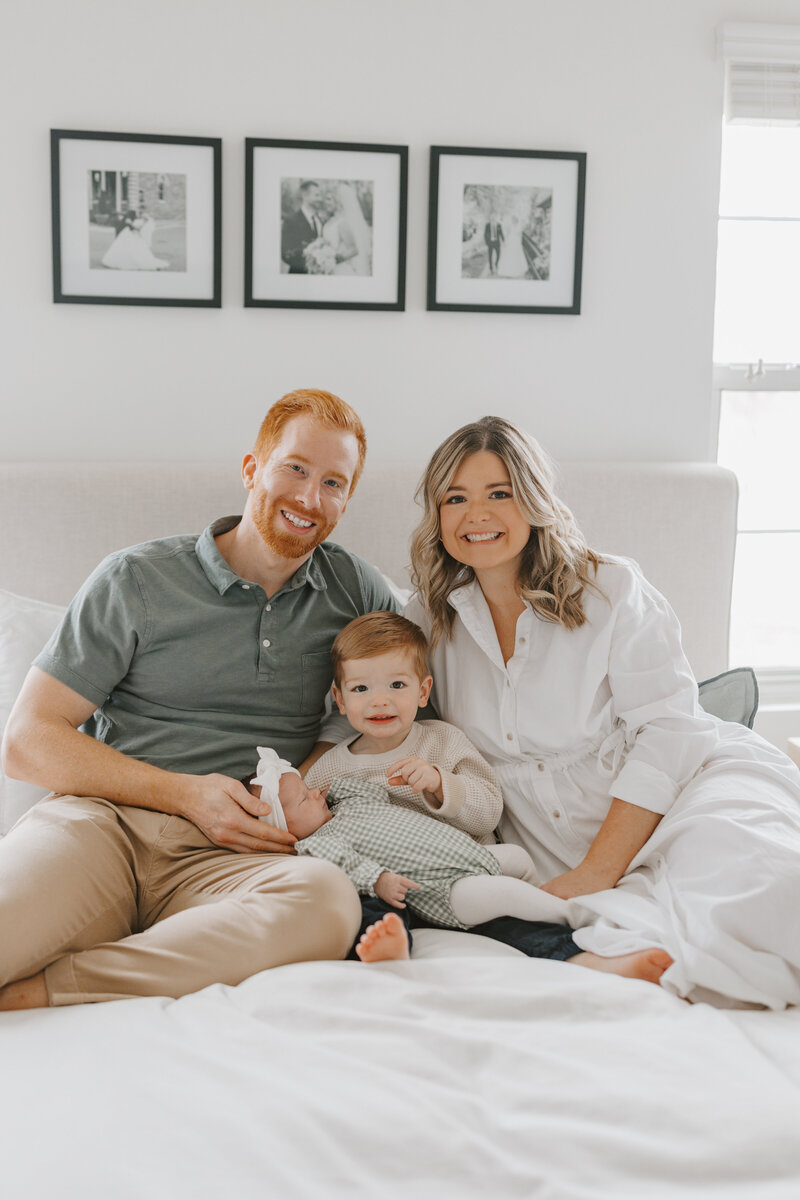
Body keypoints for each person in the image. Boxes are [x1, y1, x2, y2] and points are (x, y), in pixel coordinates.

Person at [0, 388, 401, 1011]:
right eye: (295, 469)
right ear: (251, 469)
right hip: (104, 829)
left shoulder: (356, 592)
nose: (309, 499)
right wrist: (185, 794)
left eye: (333, 483)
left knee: (327, 900)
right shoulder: (136, 579)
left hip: (236, 860)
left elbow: (400, 716)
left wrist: (312, 779)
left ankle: (50, 989)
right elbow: (26, 742)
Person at [405, 415, 800, 1008]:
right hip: (549, 849)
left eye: (499, 493)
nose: (475, 515)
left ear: (534, 499)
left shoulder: (610, 589)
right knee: (657, 944)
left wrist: (597, 871)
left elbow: (670, 732)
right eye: (454, 498)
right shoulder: (429, 619)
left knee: (759, 906)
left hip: (685, 793)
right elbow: (368, 711)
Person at [301, 610, 672, 978]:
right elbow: (312, 831)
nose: (379, 701)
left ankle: (596, 961)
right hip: (386, 882)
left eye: (396, 686)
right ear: (340, 698)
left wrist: (440, 784)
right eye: (361, 689)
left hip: (461, 876)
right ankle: (388, 948)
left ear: (423, 691)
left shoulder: (443, 741)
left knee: (516, 922)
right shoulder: (330, 769)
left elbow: (488, 813)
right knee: (363, 909)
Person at [101, 209, 169, 271]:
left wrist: (131, 224)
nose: (141, 215)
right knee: (123, 247)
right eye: (141, 214)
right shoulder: (136, 218)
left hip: (132, 234)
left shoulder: (142, 222)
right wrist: (131, 224)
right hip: (128, 233)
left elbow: (137, 228)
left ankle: (128, 261)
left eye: (143, 214)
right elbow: (131, 224)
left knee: (131, 249)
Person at [281, 180, 325, 273]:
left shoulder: (320, 220)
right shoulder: (291, 221)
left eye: (320, 195)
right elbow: (286, 254)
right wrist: (310, 263)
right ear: (305, 196)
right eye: (317, 195)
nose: (320, 199)